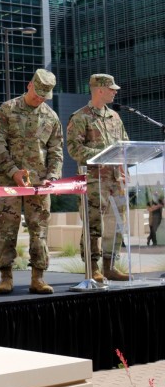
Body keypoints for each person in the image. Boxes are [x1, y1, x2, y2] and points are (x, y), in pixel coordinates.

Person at [0, 69, 63, 294]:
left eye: (44, 96)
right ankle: (5, 276)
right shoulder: (7, 110)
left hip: (38, 184)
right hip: (9, 181)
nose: (39, 98)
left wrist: (53, 176)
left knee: (39, 230)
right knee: (7, 229)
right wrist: (13, 172)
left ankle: (38, 277)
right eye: (37, 93)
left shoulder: (51, 117)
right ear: (29, 85)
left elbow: (56, 150)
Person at [66, 74, 130, 282]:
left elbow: (125, 144)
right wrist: (103, 153)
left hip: (116, 180)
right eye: (111, 88)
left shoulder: (115, 117)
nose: (115, 92)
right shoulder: (80, 117)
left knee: (116, 224)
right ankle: (93, 266)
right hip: (94, 181)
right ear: (99, 90)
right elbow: (74, 149)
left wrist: (124, 169)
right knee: (94, 225)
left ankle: (110, 266)